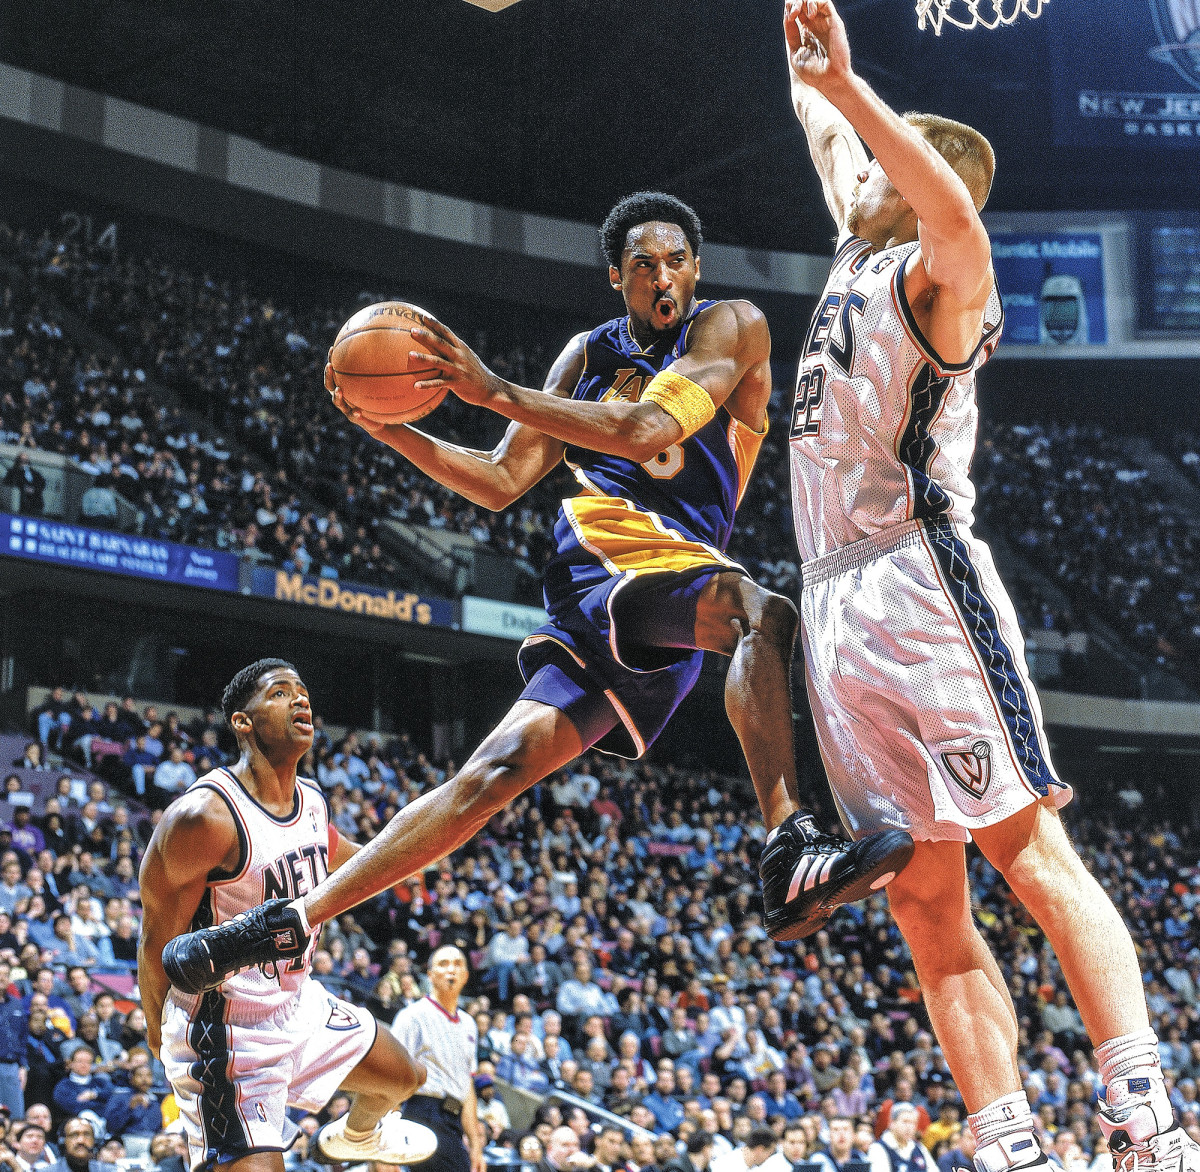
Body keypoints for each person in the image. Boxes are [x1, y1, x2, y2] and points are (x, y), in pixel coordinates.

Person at [162, 193, 916, 997]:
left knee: (493, 775)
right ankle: (789, 844)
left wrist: (490, 390)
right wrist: (393, 430)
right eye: (641, 266)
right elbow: (499, 481)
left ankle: (288, 919)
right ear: (616, 280)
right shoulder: (584, 358)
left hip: (674, 582)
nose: (662, 277)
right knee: (761, 614)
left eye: (675, 261)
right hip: (603, 569)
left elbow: (645, 432)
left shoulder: (731, 328)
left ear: (697, 268)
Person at [780, 4, 1200, 1172]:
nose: (860, 163)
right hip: (830, 602)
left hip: (921, 582)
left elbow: (950, 204)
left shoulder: (949, 273)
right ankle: (1006, 1137)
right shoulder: (855, 249)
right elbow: (817, 108)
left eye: (885, 156)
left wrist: (863, 95)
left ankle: (1144, 1110)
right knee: (922, 897)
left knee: (1027, 849)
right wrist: (817, 63)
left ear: (917, 182)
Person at [139, 659, 435, 1171]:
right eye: (280, 693)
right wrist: (157, 1035)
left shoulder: (312, 798)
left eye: (303, 690)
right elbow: (156, 944)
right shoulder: (203, 818)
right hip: (226, 1031)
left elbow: (340, 852)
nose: (301, 700)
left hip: (295, 1003)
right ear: (242, 722)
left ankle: (357, 1138)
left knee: (404, 1076)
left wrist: (410, 864)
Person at [390, 946, 485, 1172]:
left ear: (466, 976)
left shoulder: (469, 1023)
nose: (451, 969)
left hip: (454, 1119)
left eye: (458, 964)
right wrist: (387, 1137)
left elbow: (467, 1085)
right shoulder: (412, 1016)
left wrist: (475, 1143)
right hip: (422, 1112)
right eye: (443, 964)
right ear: (430, 975)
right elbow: (391, 1076)